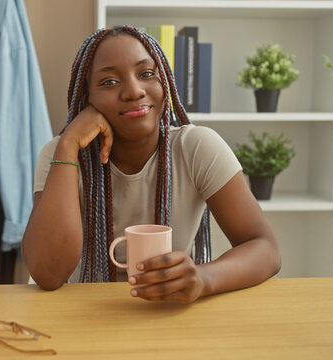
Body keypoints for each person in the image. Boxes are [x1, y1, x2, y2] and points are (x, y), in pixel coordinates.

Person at [22, 25, 281, 303]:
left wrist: (204, 278)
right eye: (109, 82)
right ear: (87, 99)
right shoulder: (60, 154)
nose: (134, 91)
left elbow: (265, 248)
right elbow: (48, 274)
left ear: (165, 83)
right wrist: (69, 143)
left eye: (146, 74)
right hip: (81, 310)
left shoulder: (196, 147)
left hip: (167, 309)